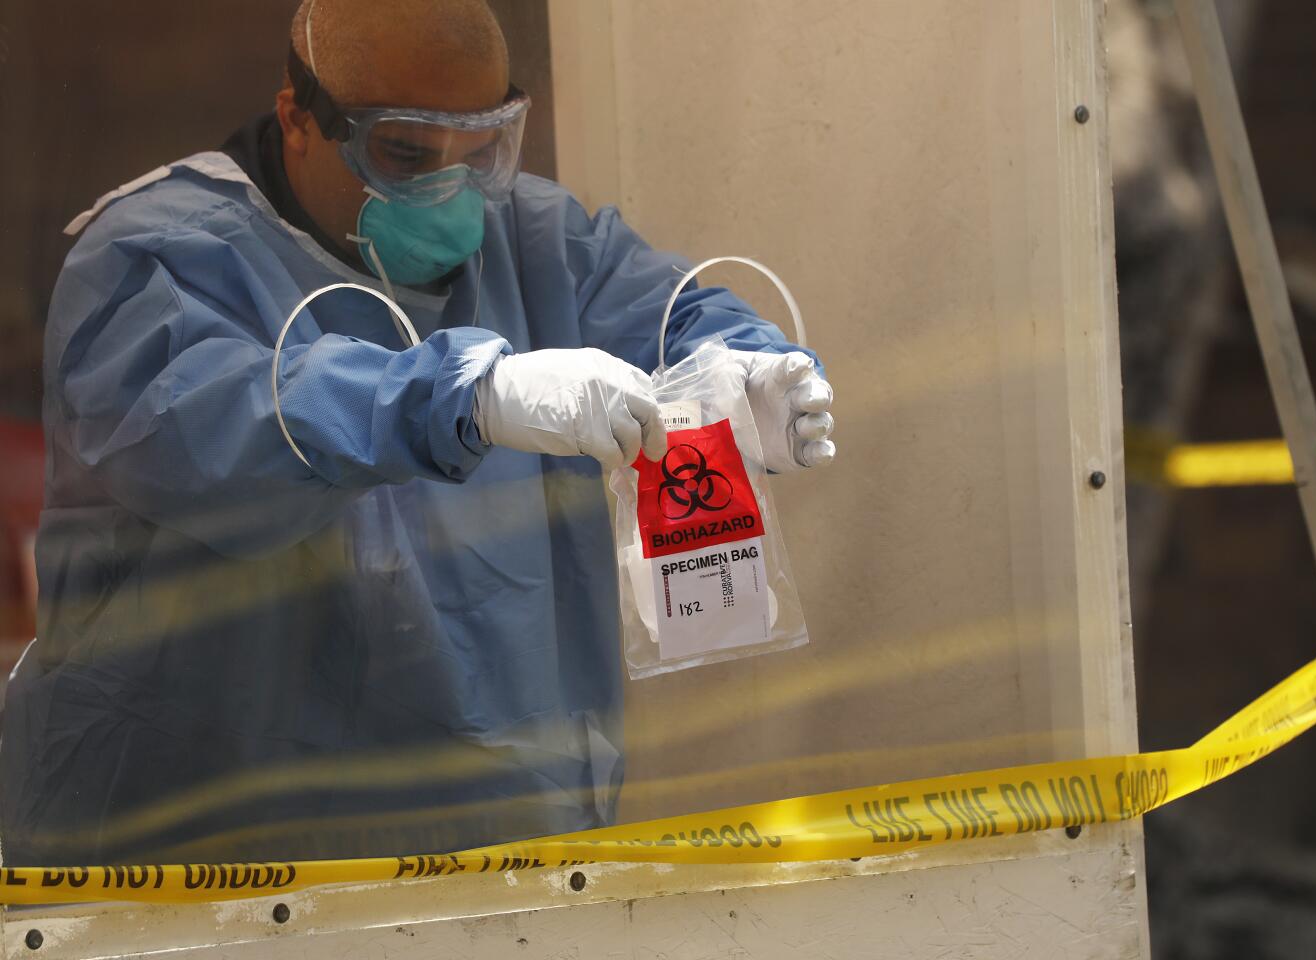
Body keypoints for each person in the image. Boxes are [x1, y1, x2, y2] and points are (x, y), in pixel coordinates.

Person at [0, 0, 834, 866]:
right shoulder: (154, 260)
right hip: (208, 854)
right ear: (299, 116)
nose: (450, 188)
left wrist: (744, 370)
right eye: (404, 153)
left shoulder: (535, 242)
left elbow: (670, 313)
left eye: (482, 153)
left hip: (503, 850)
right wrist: (470, 398)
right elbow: (207, 428)